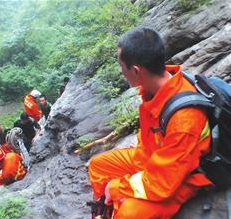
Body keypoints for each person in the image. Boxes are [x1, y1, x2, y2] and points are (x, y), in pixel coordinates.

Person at [87, 27, 212, 219]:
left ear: (136, 71)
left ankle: (115, 211)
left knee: (128, 212)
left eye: (122, 67)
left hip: (181, 177)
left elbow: (164, 183)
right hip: (151, 158)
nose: (122, 72)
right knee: (98, 166)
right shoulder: (156, 89)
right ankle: (104, 212)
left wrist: (118, 187)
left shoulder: (184, 118)